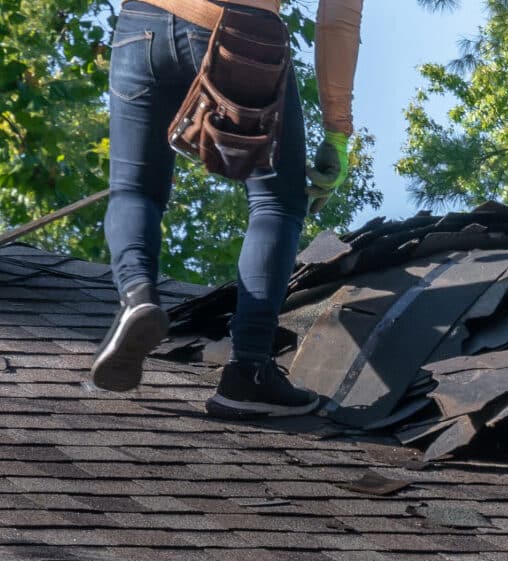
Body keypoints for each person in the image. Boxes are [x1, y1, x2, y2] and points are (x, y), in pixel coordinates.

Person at [90, 0, 364, 416]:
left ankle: (137, 296)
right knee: (277, 202)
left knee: (134, 189)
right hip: (242, 28)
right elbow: (337, 18)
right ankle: (248, 370)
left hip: (139, 23)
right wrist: (337, 132)